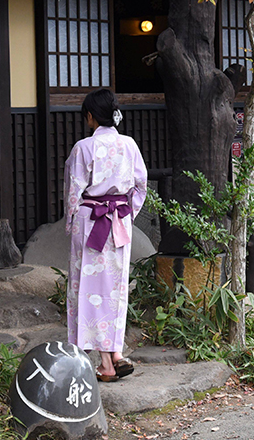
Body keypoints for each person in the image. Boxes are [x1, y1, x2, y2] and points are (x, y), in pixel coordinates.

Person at [64, 88, 148, 382]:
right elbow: (141, 186)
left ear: (90, 116)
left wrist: (71, 223)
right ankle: (115, 352)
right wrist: (127, 213)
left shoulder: (83, 148)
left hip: (90, 223)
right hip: (119, 223)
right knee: (115, 290)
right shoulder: (129, 145)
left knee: (88, 290)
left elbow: (74, 193)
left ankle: (105, 362)